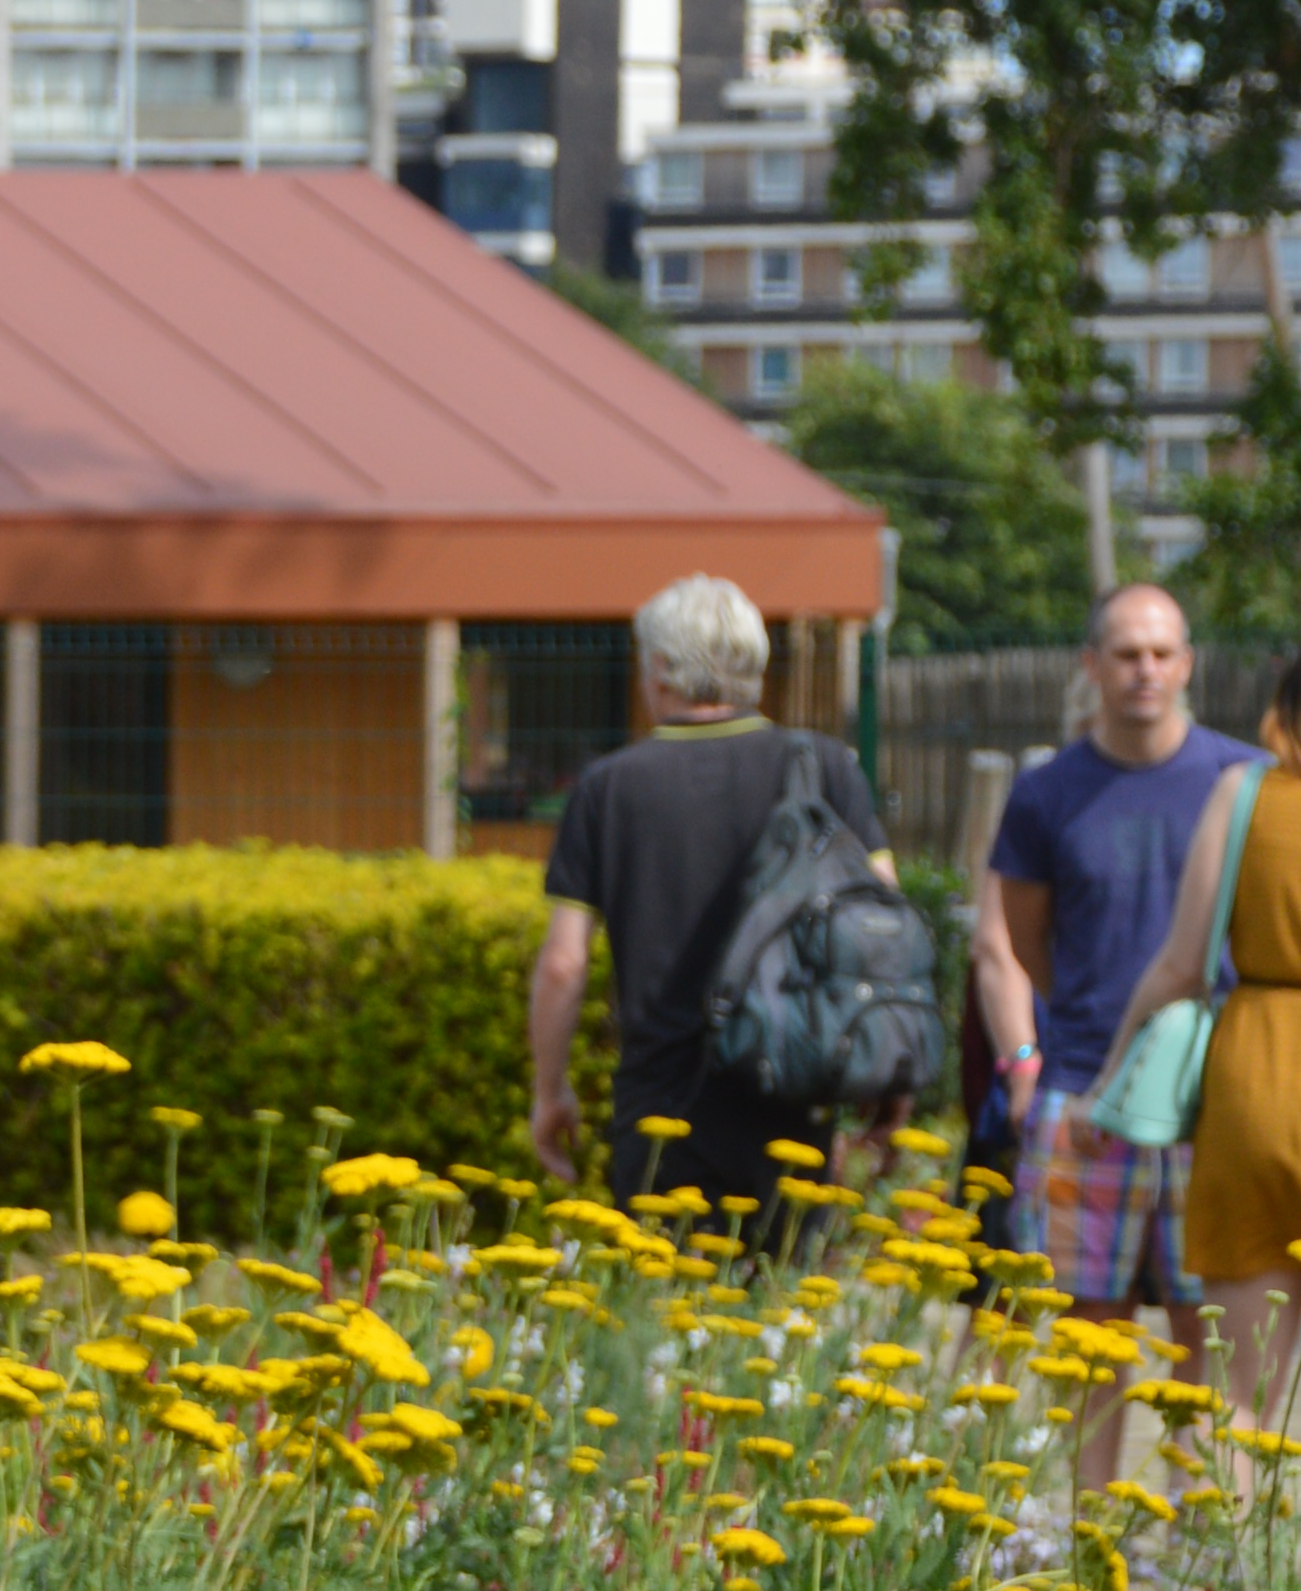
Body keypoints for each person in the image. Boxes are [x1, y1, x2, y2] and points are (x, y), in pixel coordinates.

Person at [1091, 607, 1301, 1561]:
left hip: (1257, 1079)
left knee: (1236, 1384)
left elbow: (1180, 966)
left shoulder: (1244, 792)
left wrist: (1111, 1076)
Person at [969, 580, 1255, 1473]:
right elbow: (1022, 941)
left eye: (1163, 652)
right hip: (1087, 1088)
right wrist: (1045, 1053)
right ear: (1090, 666)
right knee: (1091, 1339)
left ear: (1188, 664)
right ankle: (1096, 1552)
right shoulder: (1047, 794)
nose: (1146, 670)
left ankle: (1198, 1545)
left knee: (1207, 1329)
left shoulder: (1241, 779)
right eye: (1127, 653)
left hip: (1217, 1099)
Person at [527, 571, 891, 1223]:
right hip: (791, 1095)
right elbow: (881, 931)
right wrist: (886, 1083)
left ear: (660, 670)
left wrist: (548, 1091)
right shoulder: (826, 766)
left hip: (662, 1100)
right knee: (777, 1314)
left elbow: (562, 964)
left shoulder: (608, 788)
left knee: (661, 1314)